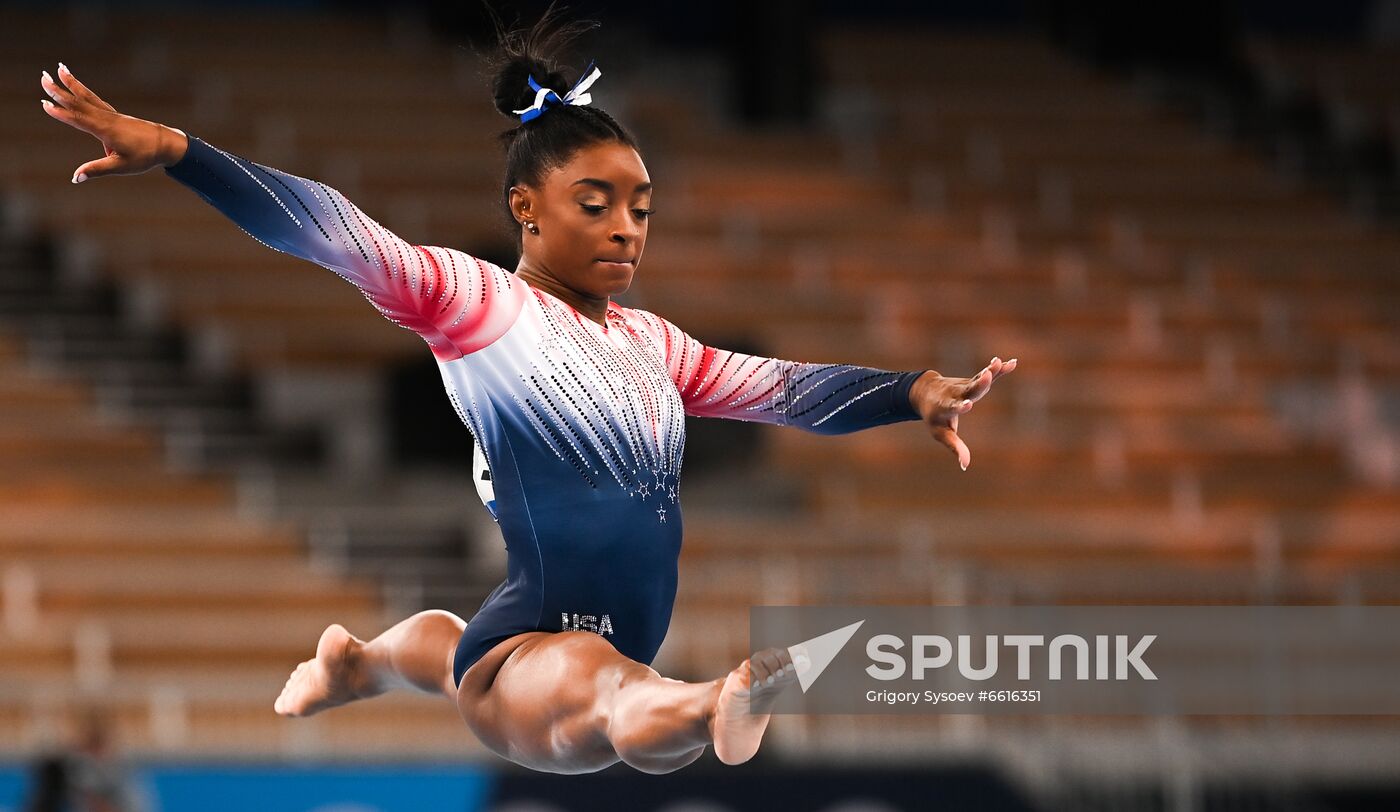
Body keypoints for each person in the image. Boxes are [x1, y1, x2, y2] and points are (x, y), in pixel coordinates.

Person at [39, 9, 1016, 775]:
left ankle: (361, 660)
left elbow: (785, 390)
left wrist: (910, 391)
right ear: (525, 208)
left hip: (560, 647)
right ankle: (717, 692)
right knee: (617, 698)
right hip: (532, 660)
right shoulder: (478, 304)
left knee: (566, 691)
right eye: (594, 205)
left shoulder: (652, 344)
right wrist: (180, 153)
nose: (626, 229)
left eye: (640, 208)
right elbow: (331, 231)